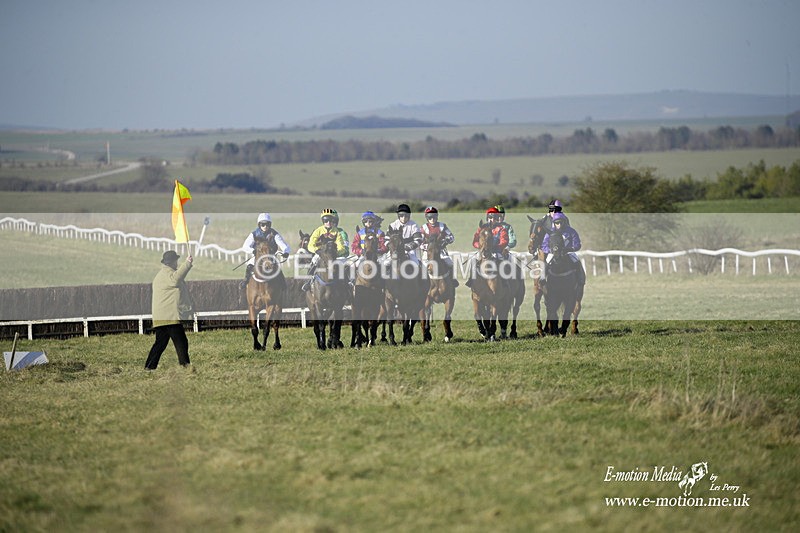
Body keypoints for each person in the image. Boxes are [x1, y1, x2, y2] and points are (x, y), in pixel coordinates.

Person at [145, 250, 194, 370]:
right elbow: (176, 279)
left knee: (160, 344)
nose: (177, 263)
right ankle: (185, 366)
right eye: (176, 261)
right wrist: (187, 263)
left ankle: (149, 367)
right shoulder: (168, 274)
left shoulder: (161, 275)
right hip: (169, 317)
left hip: (162, 317)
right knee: (181, 342)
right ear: (172, 262)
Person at [240, 213, 291, 289]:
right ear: (259, 225)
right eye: (262, 224)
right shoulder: (254, 234)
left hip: (270, 256)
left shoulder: (274, 234)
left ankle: (283, 286)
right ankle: (246, 280)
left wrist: (286, 252)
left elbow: (283, 245)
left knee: (278, 270)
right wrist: (253, 251)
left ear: (270, 225)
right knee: (250, 265)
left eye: (267, 224)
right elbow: (245, 246)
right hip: (257, 256)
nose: (265, 226)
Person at [302, 208, 349, 291]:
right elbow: (310, 245)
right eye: (326, 220)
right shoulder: (318, 231)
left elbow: (341, 247)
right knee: (314, 261)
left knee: (342, 266)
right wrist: (317, 251)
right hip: (321, 253)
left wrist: (335, 253)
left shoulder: (337, 232)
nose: (328, 223)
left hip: (333, 254)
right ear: (323, 221)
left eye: (330, 220)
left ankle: (347, 284)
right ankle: (308, 282)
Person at [465, 206, 510, 288]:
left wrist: (496, 247)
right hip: (483, 251)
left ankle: (504, 281)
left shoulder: (501, 229)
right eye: (489, 217)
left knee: (502, 260)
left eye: (494, 218)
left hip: (496, 251)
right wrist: (481, 246)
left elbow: (504, 241)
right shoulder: (481, 228)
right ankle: (471, 279)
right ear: (487, 218)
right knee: (472, 260)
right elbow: (475, 241)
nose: (491, 220)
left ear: (497, 218)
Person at [419, 206, 458, 286]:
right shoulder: (423, 228)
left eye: (434, 217)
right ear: (427, 218)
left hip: (441, 251)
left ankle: (453, 280)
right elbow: (420, 242)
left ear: (437, 216)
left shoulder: (442, 226)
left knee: (450, 263)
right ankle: (421, 284)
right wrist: (428, 247)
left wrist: (446, 241)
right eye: (430, 217)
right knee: (422, 266)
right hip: (428, 252)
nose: (432, 219)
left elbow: (451, 237)